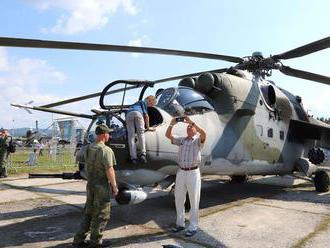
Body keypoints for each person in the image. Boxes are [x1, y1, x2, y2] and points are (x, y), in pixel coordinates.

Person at [73, 124, 119, 247]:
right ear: (104, 134)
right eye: (108, 133)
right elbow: (109, 170)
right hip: (101, 186)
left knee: (88, 212)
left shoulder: (88, 148)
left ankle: (78, 240)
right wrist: (114, 187)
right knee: (102, 214)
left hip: (90, 184)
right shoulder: (106, 150)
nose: (109, 135)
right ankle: (95, 242)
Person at [165, 116, 206, 237]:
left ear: (194, 130)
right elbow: (168, 136)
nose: (189, 127)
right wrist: (172, 124)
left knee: (194, 200)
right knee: (179, 199)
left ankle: (193, 227)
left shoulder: (198, 140)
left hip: (193, 172)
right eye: (188, 126)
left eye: (191, 127)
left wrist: (191, 122)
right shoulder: (182, 140)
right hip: (181, 172)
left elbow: (204, 133)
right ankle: (180, 224)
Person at [126, 95, 156, 164]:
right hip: (138, 114)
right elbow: (146, 116)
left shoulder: (133, 105)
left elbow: (126, 122)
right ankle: (143, 154)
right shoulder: (142, 102)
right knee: (141, 134)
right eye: (151, 103)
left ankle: (133, 158)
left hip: (128, 114)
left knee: (131, 137)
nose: (150, 105)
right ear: (149, 100)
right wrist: (148, 127)